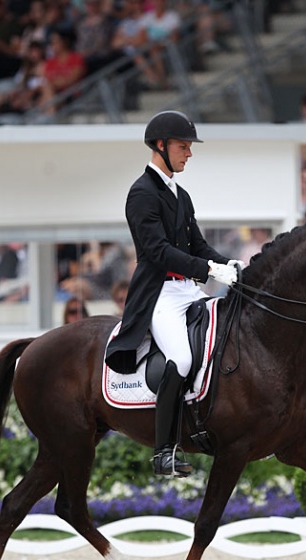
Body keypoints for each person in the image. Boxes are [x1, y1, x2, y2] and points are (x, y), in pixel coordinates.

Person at [105, 110, 241, 478]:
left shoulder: (181, 195)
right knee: (180, 359)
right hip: (160, 294)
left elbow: (198, 246)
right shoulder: (141, 193)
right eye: (184, 146)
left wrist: (234, 265)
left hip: (188, 291)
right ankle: (164, 451)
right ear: (161, 145)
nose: (189, 154)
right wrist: (210, 271)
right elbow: (158, 251)